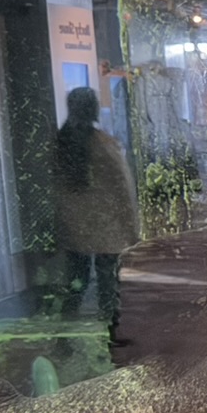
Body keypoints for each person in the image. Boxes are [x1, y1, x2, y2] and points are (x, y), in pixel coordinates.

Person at [51, 86, 141, 334]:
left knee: (75, 283)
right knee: (109, 287)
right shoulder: (104, 145)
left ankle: (64, 340)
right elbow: (123, 189)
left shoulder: (61, 142)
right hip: (106, 228)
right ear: (93, 109)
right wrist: (132, 228)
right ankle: (111, 338)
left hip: (74, 229)